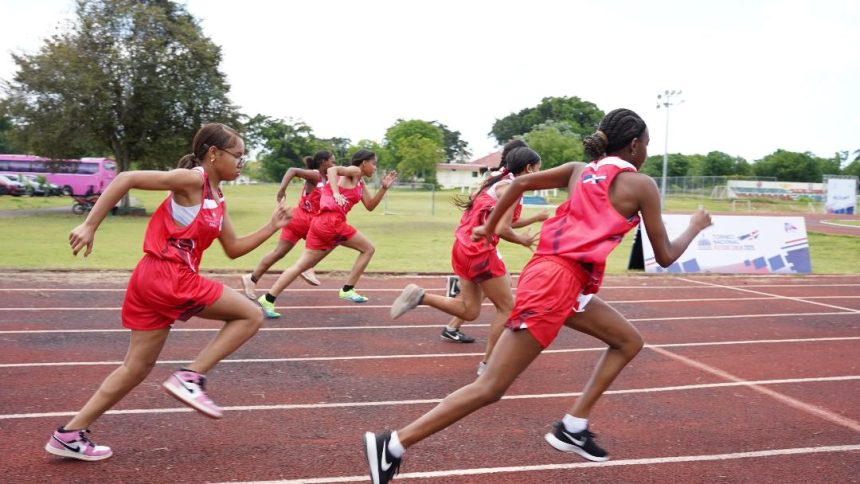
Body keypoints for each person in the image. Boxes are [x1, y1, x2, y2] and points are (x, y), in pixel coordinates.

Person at [366, 108, 713, 483]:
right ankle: (394, 443)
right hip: (557, 284)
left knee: (628, 341)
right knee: (490, 387)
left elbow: (514, 186)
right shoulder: (642, 185)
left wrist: (486, 227)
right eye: (646, 144)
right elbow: (664, 256)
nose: (646, 152)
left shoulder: (578, 169)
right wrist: (694, 226)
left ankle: (573, 426)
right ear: (633, 145)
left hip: (558, 277)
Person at [46, 123, 292, 462]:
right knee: (250, 313)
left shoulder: (218, 198)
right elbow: (126, 179)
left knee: (136, 367)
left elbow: (234, 249)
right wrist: (89, 225)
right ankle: (191, 376)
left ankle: (69, 433)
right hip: (167, 275)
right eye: (238, 156)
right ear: (214, 154)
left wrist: (272, 227)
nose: (241, 163)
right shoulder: (192, 180)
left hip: (153, 281)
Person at [391, 144, 544, 377]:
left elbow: (494, 218)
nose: (539, 174)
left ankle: (421, 296)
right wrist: (522, 240)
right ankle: (488, 365)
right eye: (538, 170)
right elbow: (502, 227)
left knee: (469, 310)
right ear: (529, 168)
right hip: (480, 252)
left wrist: (529, 219)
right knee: (507, 308)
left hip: (462, 247)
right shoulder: (511, 187)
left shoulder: (495, 180)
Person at [257, 149, 397, 317]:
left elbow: (370, 206)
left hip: (321, 224)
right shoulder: (354, 171)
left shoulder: (360, 182)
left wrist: (383, 188)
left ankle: (268, 298)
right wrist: (336, 193)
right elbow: (332, 170)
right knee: (368, 249)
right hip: (332, 223)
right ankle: (348, 289)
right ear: (364, 163)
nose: (375, 168)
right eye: (373, 164)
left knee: (302, 265)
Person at [240, 151, 336, 300]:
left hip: (295, 219)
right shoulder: (315, 175)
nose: (334, 165)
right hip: (305, 219)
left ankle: (251, 279)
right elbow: (292, 170)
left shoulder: (328, 178)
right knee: (329, 238)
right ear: (323, 162)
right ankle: (307, 267)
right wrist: (282, 189)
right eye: (332, 162)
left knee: (278, 253)